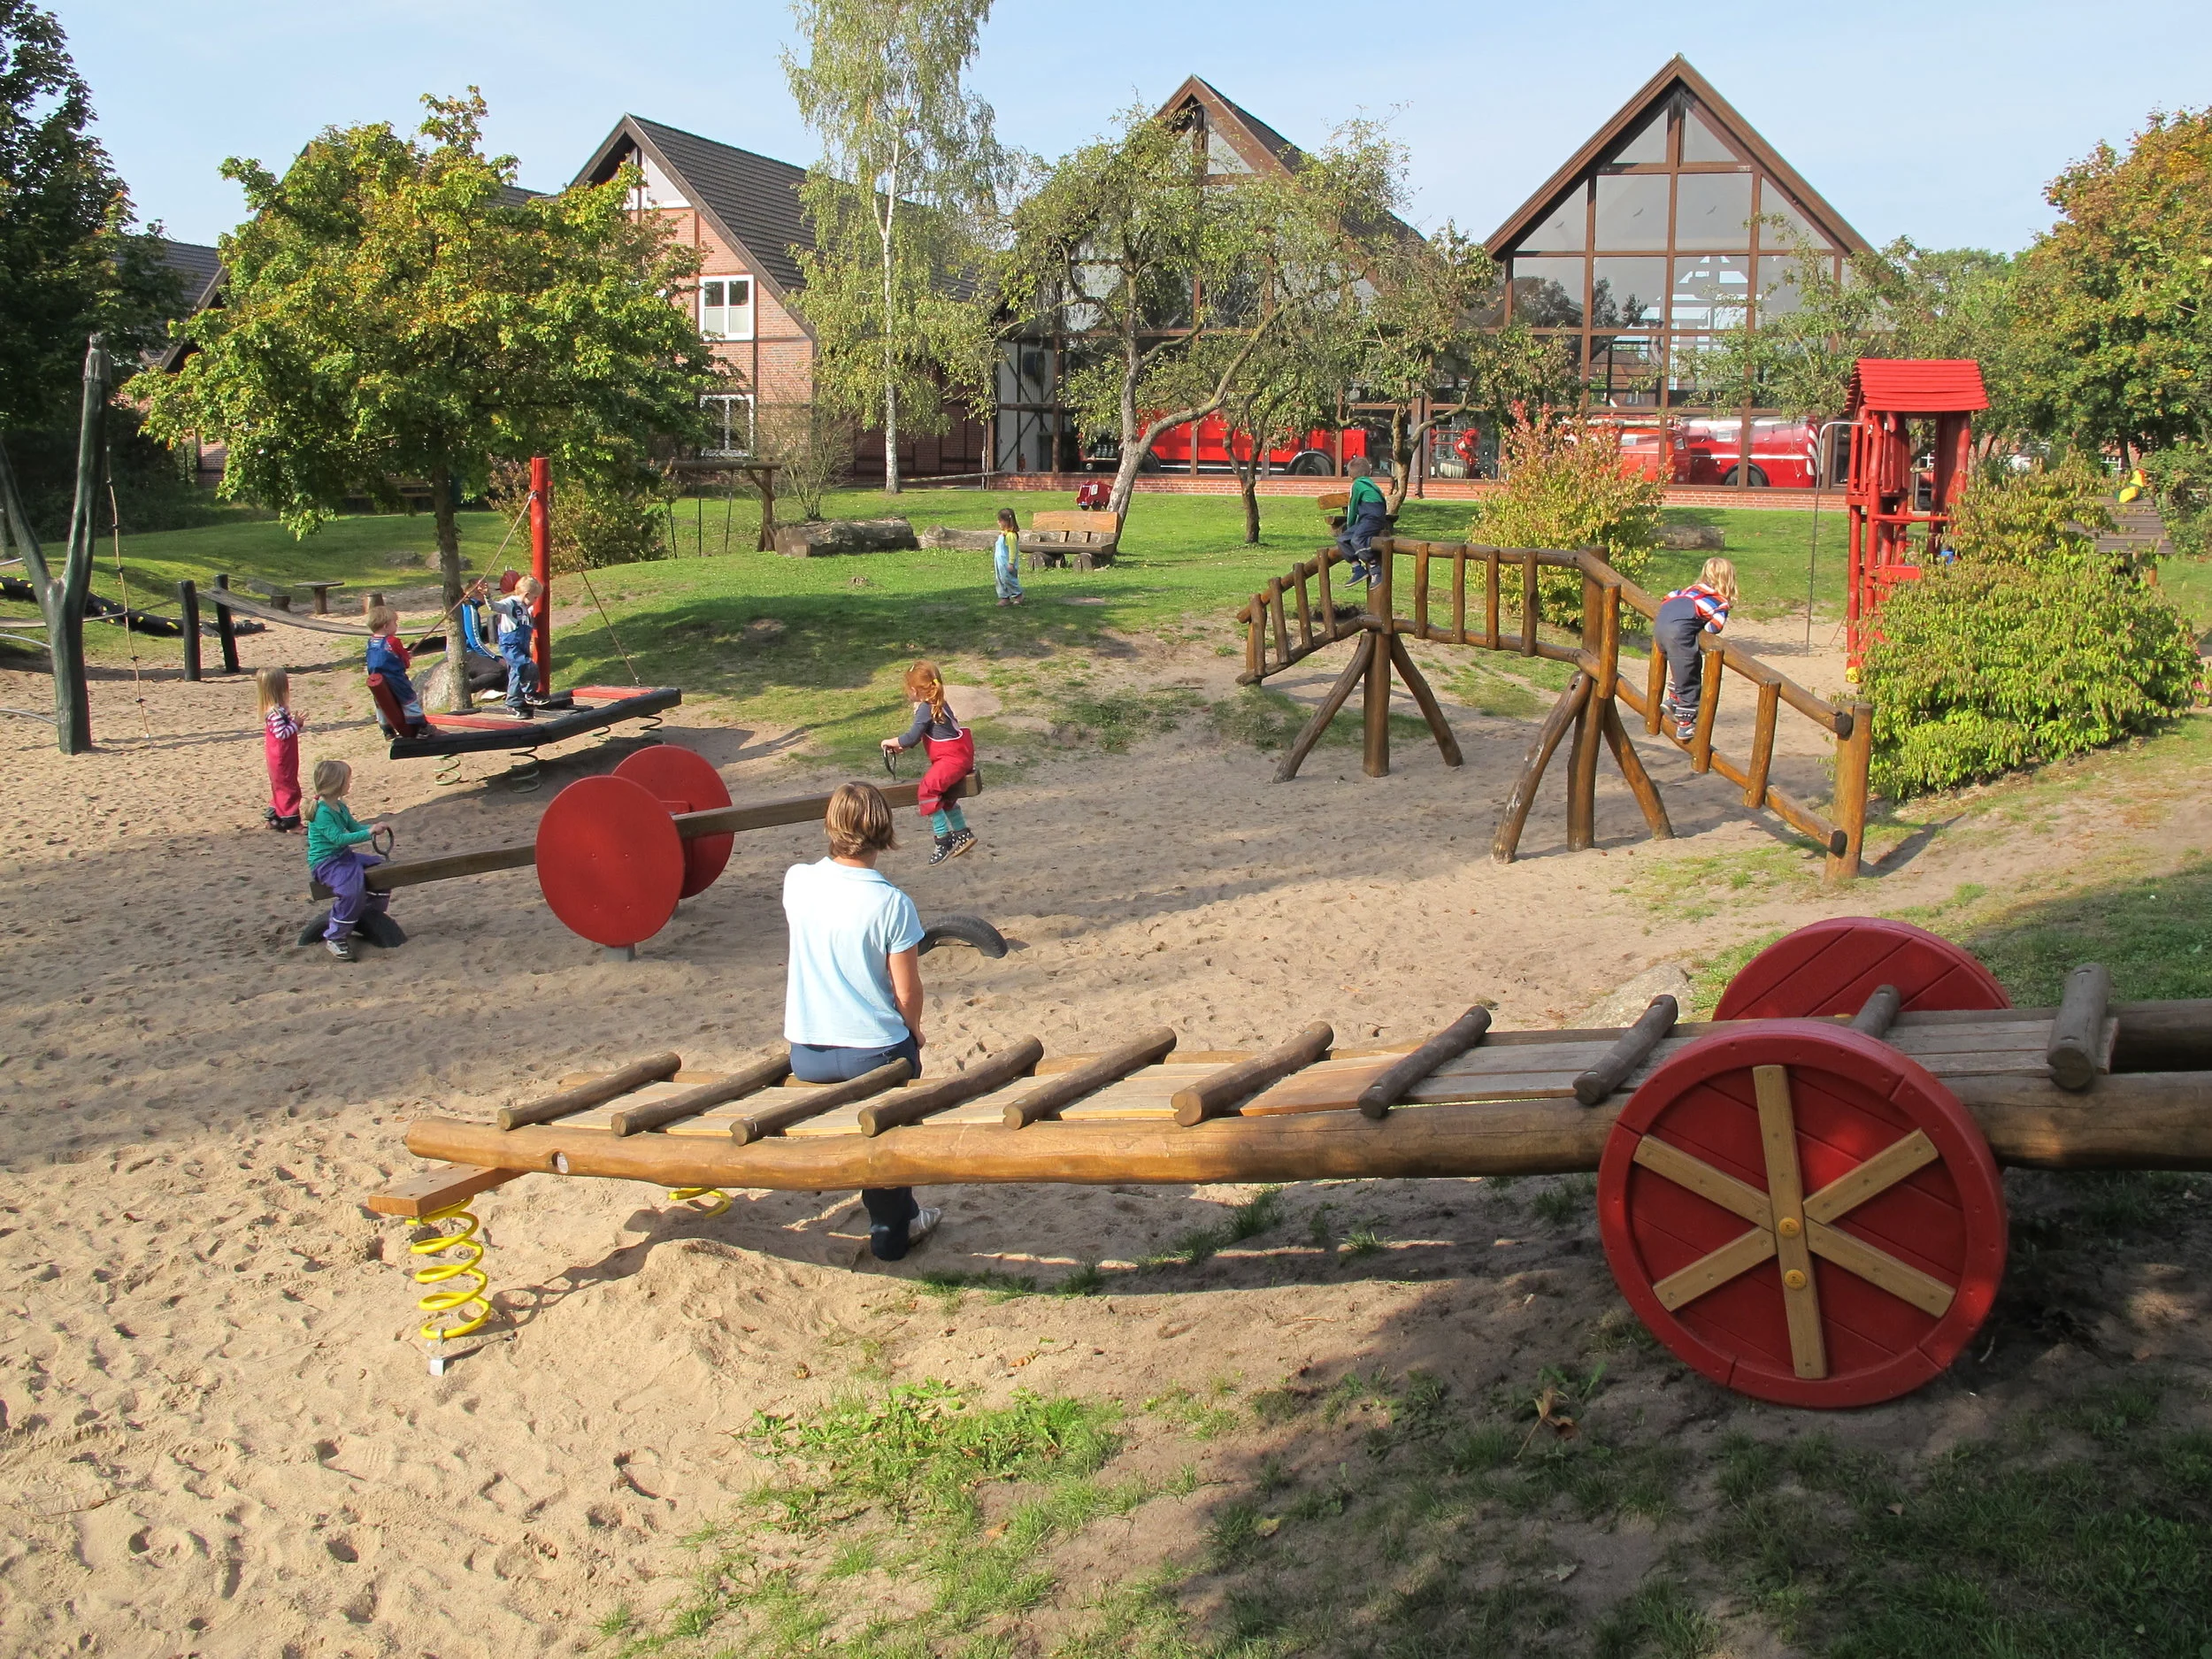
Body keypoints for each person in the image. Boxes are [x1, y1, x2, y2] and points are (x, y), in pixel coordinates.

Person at [782, 782, 941, 1262]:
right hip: (869, 1052)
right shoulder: (891, 903)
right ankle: (895, 1226)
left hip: (807, 1050)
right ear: (884, 832)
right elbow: (906, 990)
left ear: (831, 826)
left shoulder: (798, 881)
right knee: (893, 1096)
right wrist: (912, 1029)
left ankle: (896, 1211)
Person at [880, 660, 977, 864]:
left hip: (950, 760)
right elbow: (932, 733)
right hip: (960, 757)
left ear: (914, 690)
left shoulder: (926, 708)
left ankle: (943, 839)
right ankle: (962, 833)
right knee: (946, 796)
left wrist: (892, 742)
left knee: (927, 791)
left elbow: (912, 736)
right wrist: (903, 746)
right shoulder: (938, 703)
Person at [304, 758, 392, 962]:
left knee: (382, 871)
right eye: (347, 780)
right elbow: (338, 838)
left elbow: (354, 828)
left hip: (343, 857)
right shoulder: (322, 812)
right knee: (351, 890)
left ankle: (369, 916)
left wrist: (373, 828)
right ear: (336, 783)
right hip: (326, 863)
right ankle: (335, 936)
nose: (350, 783)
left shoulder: (340, 806)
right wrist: (369, 832)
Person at [1655, 557, 1739, 741]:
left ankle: (1673, 698)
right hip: (1678, 635)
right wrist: (1702, 622)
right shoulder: (1719, 602)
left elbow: (1667, 597)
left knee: (1682, 665)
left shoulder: (1687, 591)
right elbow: (1713, 629)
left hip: (1660, 630)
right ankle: (1685, 724)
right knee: (1690, 674)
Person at [364, 606, 426, 736]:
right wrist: (407, 657)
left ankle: (386, 729)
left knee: (382, 701)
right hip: (394, 677)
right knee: (408, 698)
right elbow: (403, 659)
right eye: (395, 623)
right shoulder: (392, 641)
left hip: (376, 678)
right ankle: (420, 725)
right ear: (386, 626)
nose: (396, 626)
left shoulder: (371, 642)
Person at [257, 666, 303, 833]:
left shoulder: (275, 710)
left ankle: (274, 815)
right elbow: (282, 734)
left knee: (280, 785)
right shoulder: (276, 713)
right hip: (282, 757)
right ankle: (291, 821)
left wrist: (295, 725)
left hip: (279, 755)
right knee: (289, 787)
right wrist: (295, 724)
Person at [491, 577, 543, 718]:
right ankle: (530, 694)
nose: (536, 601)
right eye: (535, 597)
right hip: (511, 645)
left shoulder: (526, 608)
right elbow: (495, 607)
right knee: (528, 666)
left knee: (516, 673)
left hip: (522, 644)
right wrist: (487, 596)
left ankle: (514, 703)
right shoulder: (510, 603)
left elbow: (529, 621)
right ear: (527, 595)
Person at [1340, 457, 1390, 585]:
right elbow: (1384, 503)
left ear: (1350, 475)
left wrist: (1350, 525)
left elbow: (1353, 508)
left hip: (1372, 518)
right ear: (1369, 472)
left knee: (1357, 540)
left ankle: (1374, 566)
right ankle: (1357, 569)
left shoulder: (1357, 485)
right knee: (1342, 539)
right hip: (1371, 519)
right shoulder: (1373, 485)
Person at [991, 508, 1025, 606]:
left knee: (1008, 579)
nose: (998, 522)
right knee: (1000, 579)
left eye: (1000, 520)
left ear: (1007, 521)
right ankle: (1004, 597)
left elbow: (1013, 550)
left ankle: (1018, 595)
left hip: (1007, 563)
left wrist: (1011, 563)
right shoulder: (1003, 534)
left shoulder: (1011, 535)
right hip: (1000, 562)